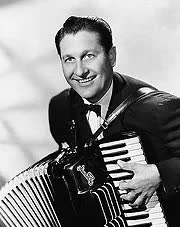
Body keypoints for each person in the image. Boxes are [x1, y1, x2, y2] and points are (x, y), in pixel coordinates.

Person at [49, 15, 180, 227]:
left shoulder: (157, 109)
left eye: (89, 56)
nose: (80, 71)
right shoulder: (60, 108)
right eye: (69, 59)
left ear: (111, 56)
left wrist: (159, 173)